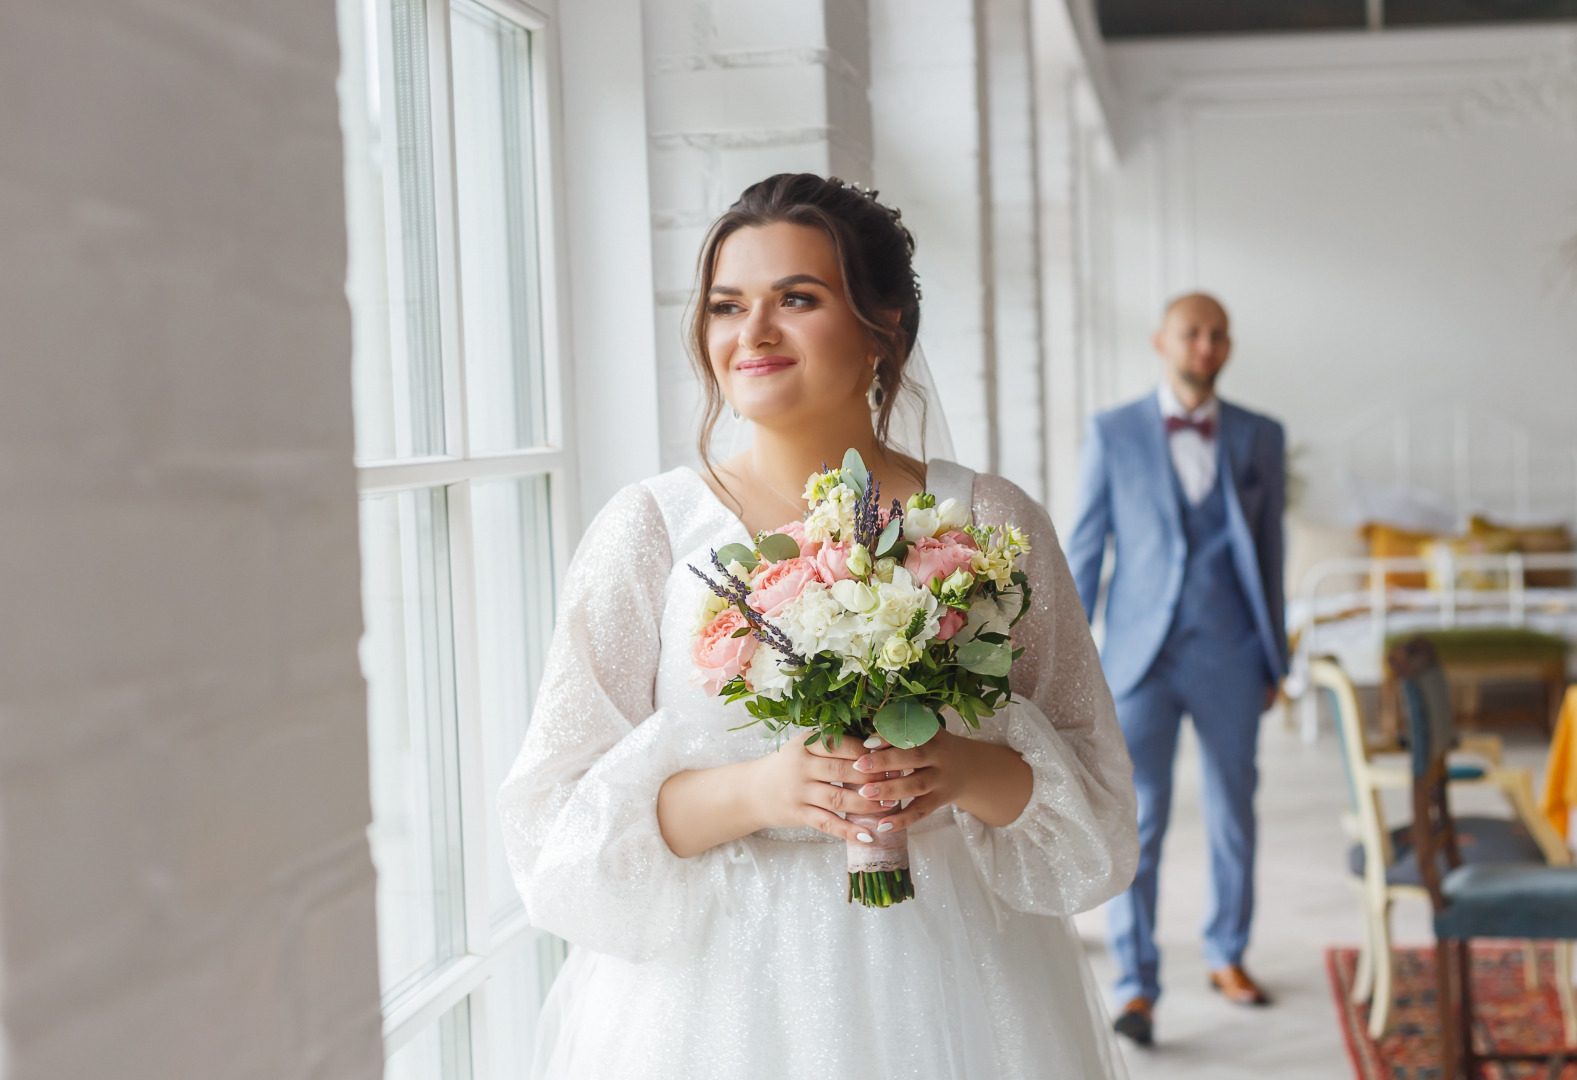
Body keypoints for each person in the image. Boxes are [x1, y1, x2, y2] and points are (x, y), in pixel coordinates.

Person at [500, 173, 1139, 1078]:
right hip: (712, 1003)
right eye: (727, 305)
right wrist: (764, 792)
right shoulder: (649, 532)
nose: (750, 334)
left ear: (887, 330)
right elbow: (553, 826)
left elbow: (1097, 810)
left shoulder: (990, 521)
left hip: (956, 983)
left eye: (795, 299)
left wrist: (955, 767)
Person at [1065, 294, 1286, 1047]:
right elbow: (1086, 553)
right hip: (1139, 660)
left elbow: (1271, 559)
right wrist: (1073, 664)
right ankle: (1135, 983)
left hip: (1230, 652)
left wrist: (1273, 658)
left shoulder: (1261, 436)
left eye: (1217, 334)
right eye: (1191, 332)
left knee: (1234, 811)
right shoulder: (1112, 432)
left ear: (1227, 346)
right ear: (1162, 339)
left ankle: (1228, 953)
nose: (1204, 345)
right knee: (1140, 819)